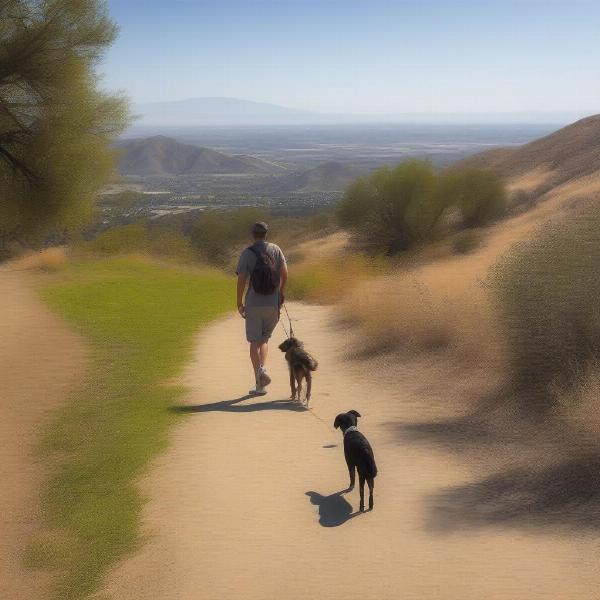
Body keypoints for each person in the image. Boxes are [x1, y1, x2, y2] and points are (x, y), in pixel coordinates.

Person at [236, 221, 288, 396]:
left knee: (253, 342)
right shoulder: (275, 249)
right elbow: (284, 273)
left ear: (253, 234)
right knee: (264, 341)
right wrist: (280, 293)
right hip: (272, 303)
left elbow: (242, 279)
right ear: (266, 233)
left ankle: (260, 376)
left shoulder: (247, 253)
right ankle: (261, 378)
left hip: (254, 303)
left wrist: (239, 302)